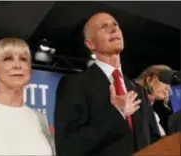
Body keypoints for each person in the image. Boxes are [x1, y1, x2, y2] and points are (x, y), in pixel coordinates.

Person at [54, 12, 158, 156]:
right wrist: (117, 113)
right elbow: (68, 148)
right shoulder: (74, 85)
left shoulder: (138, 90)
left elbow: (155, 142)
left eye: (116, 25)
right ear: (90, 43)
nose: (113, 29)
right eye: (104, 27)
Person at [135, 65, 172, 137]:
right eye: (165, 81)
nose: (168, 88)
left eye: (170, 84)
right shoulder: (133, 104)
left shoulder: (153, 114)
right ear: (149, 78)